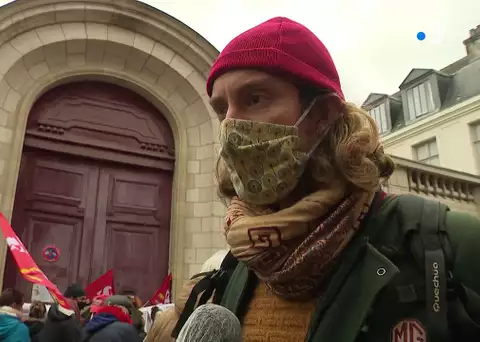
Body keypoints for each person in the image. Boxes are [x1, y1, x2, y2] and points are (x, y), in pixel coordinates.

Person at [148, 16, 480, 342]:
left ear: (322, 116)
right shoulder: (236, 265)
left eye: (255, 99)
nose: (230, 126)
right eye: (222, 109)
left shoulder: (450, 245)